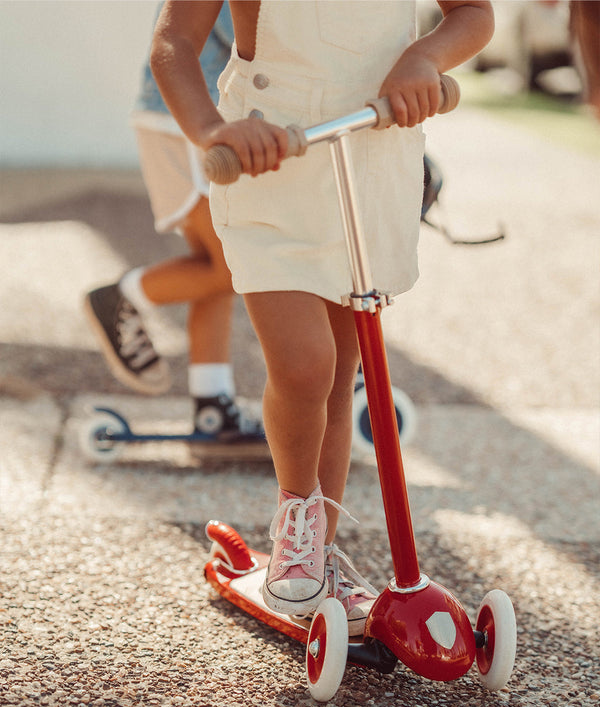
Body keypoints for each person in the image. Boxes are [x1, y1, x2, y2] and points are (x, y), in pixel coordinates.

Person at [151, 0, 495, 634]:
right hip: (271, 158)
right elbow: (174, 41)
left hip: (369, 157)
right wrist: (210, 130)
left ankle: (321, 545)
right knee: (306, 366)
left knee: (341, 378)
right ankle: (296, 522)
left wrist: (423, 57)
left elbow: (473, 13)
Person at [85, 3, 265, 446]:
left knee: (213, 268)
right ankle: (121, 297)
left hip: (185, 115)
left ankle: (211, 402)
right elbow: (257, 38)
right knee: (229, 267)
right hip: (189, 117)